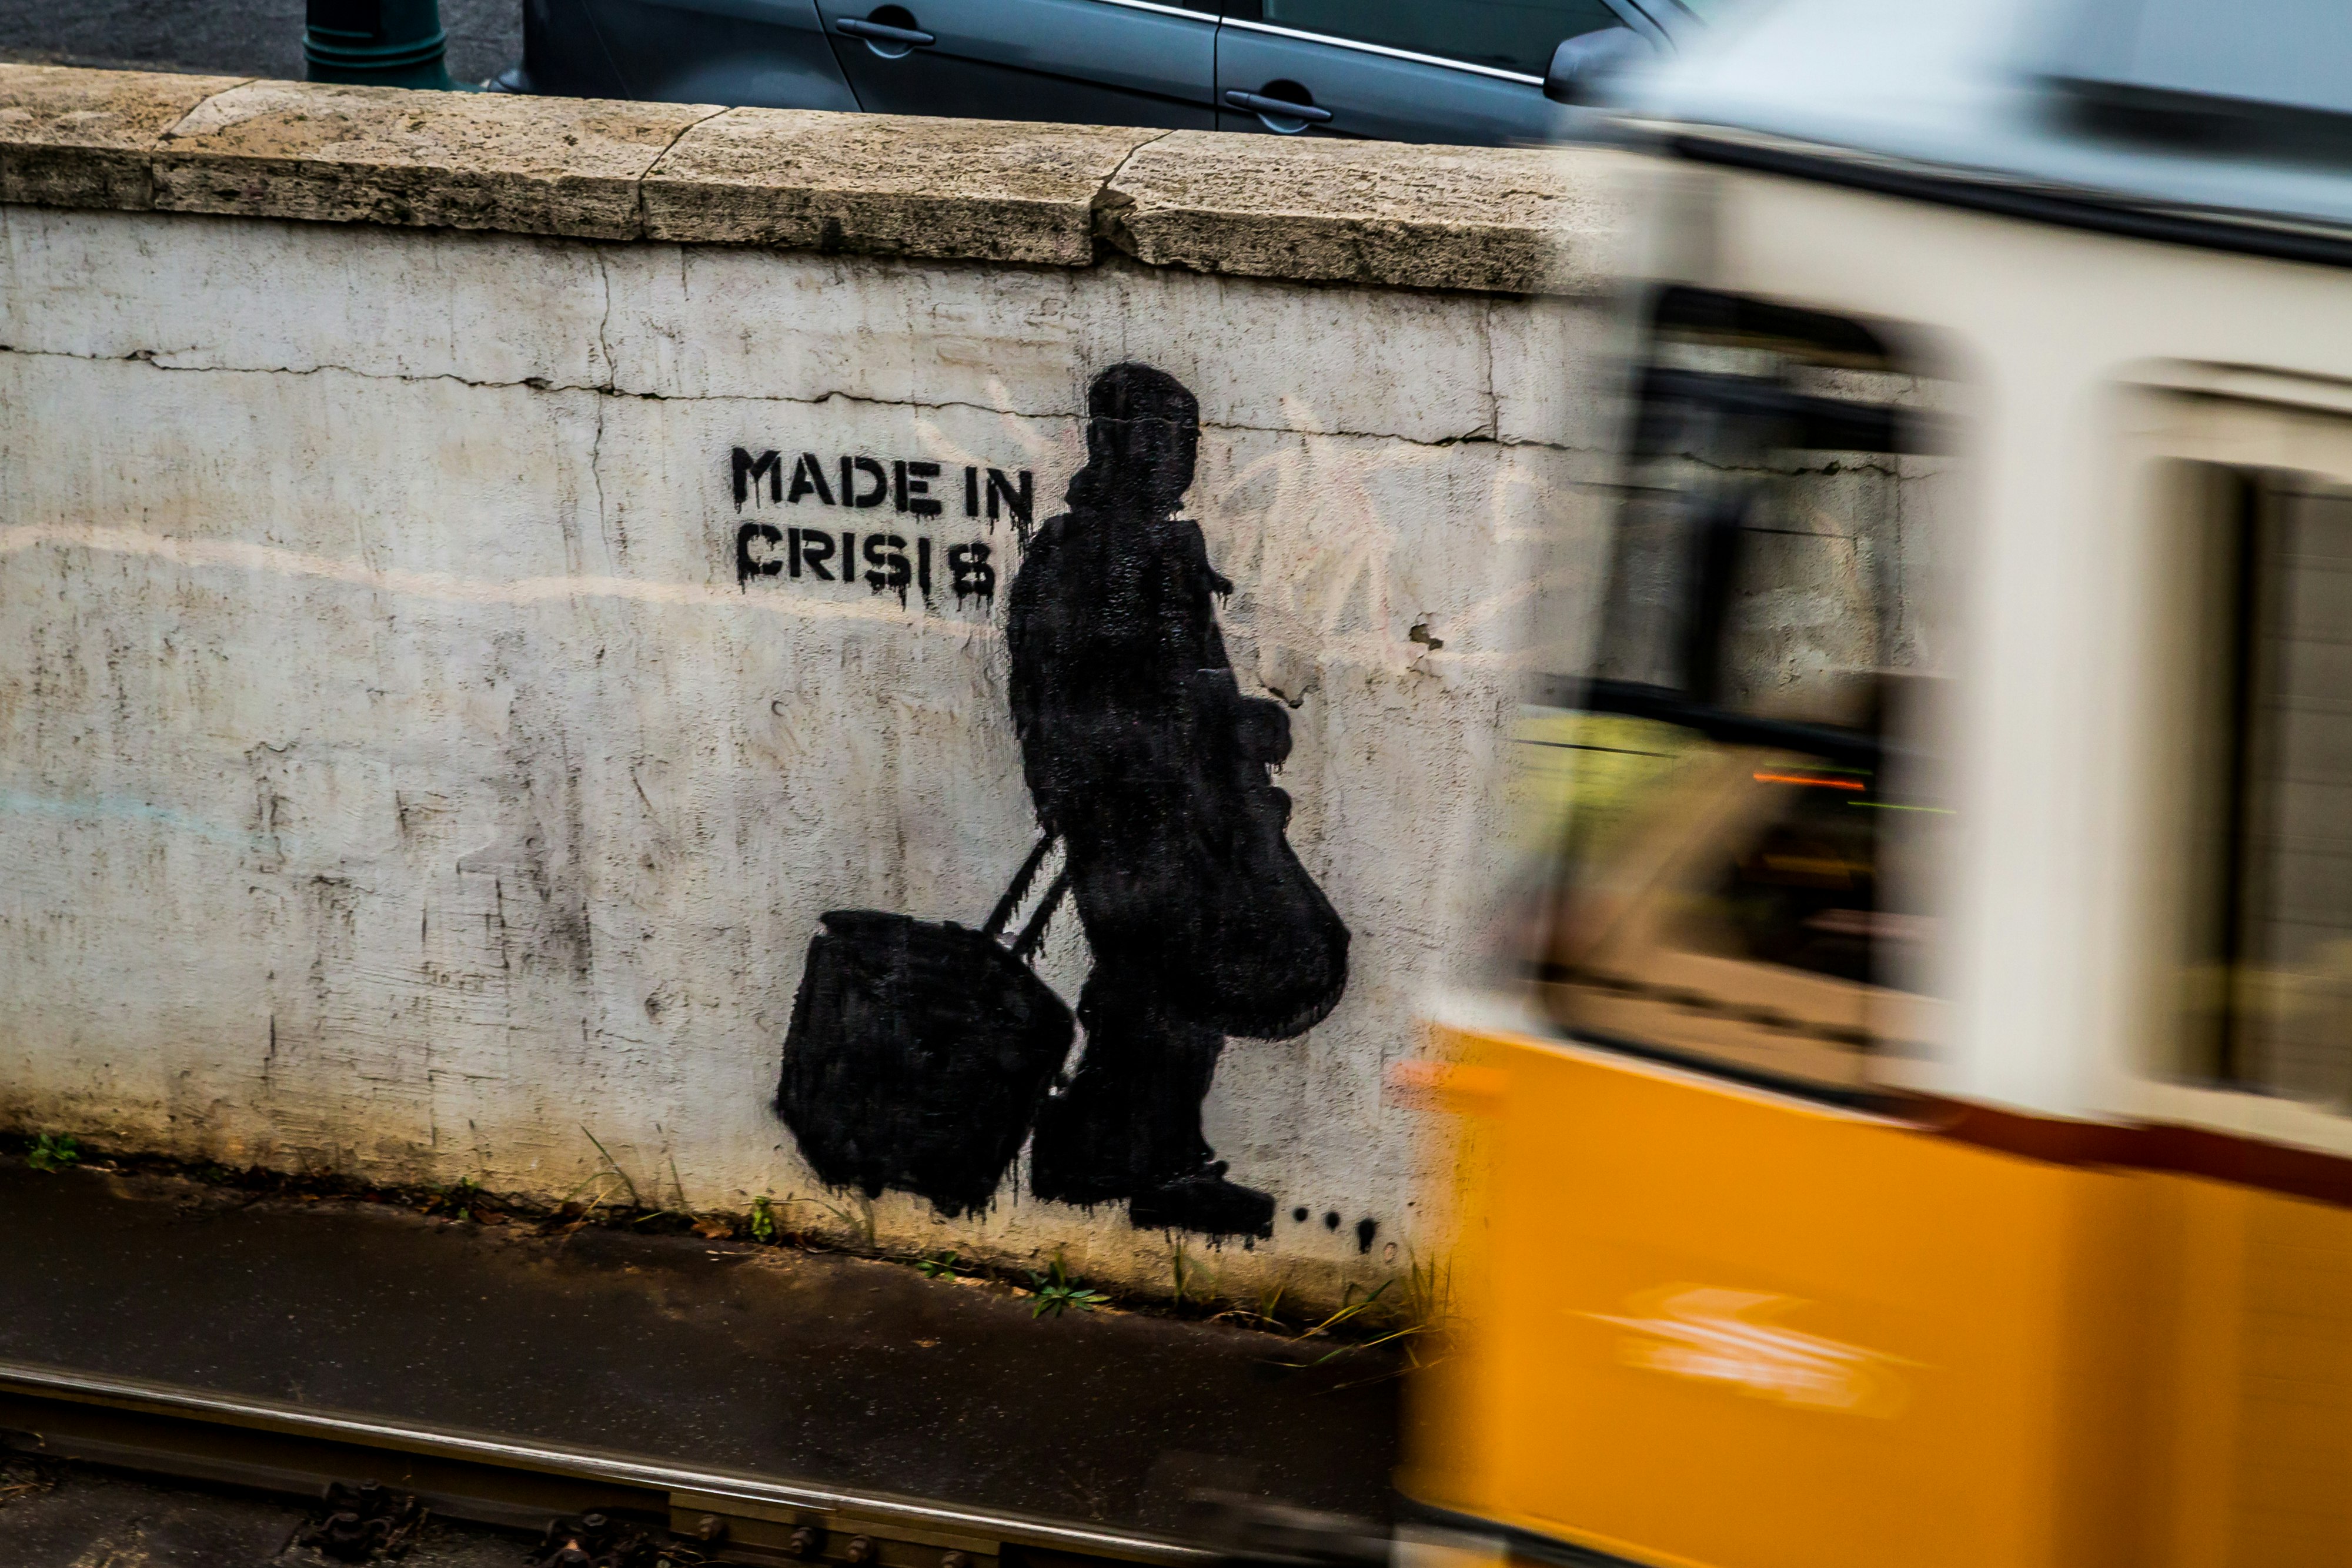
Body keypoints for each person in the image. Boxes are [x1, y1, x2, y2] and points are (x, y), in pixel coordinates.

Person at [1007, 363, 1348, 1238]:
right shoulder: (1088, 554)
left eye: (1185, 439)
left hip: (1176, 815)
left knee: (1163, 998)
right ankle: (1127, 1165)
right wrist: (1192, 758)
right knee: (1159, 997)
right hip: (1134, 820)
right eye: (1159, 439)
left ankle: (1125, 1160)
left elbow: (1184, 685)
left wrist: (1242, 728)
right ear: (1113, 443)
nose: (1177, 458)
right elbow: (1092, 699)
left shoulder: (1158, 548)